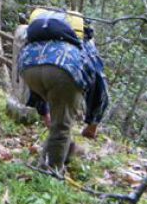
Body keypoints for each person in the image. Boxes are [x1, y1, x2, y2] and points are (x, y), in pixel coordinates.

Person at [18, 10, 109, 172]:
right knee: (62, 127)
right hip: (64, 70)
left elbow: (43, 69)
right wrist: (93, 122)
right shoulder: (84, 43)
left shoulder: (40, 40)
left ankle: (65, 152)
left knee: (59, 123)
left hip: (27, 67)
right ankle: (50, 173)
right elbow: (100, 84)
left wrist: (43, 111)